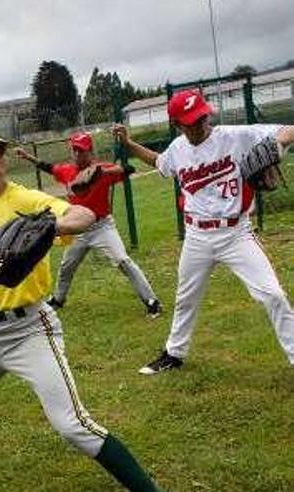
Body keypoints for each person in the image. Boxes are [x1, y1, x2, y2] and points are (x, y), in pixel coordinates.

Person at [0, 122, 163, 492]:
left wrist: (50, 227)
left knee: (73, 425)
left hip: (31, 329)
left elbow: (82, 216)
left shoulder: (23, 201)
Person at [114, 89, 294, 375]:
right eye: (191, 122)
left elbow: (286, 131)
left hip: (235, 234)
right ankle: (174, 353)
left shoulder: (235, 136)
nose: (199, 125)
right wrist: (129, 143)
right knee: (186, 297)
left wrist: (275, 145)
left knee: (272, 294)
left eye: (202, 118)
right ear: (177, 125)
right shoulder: (177, 149)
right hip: (196, 235)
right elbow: (159, 163)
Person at [16, 133, 162, 318]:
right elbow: (49, 168)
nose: (78, 154)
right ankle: (58, 299)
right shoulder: (68, 171)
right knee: (67, 266)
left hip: (101, 227)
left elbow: (129, 169)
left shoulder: (101, 169)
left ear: (90, 152)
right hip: (79, 230)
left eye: (82, 151)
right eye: (75, 150)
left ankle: (151, 301)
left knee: (123, 261)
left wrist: (105, 172)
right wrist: (28, 157)